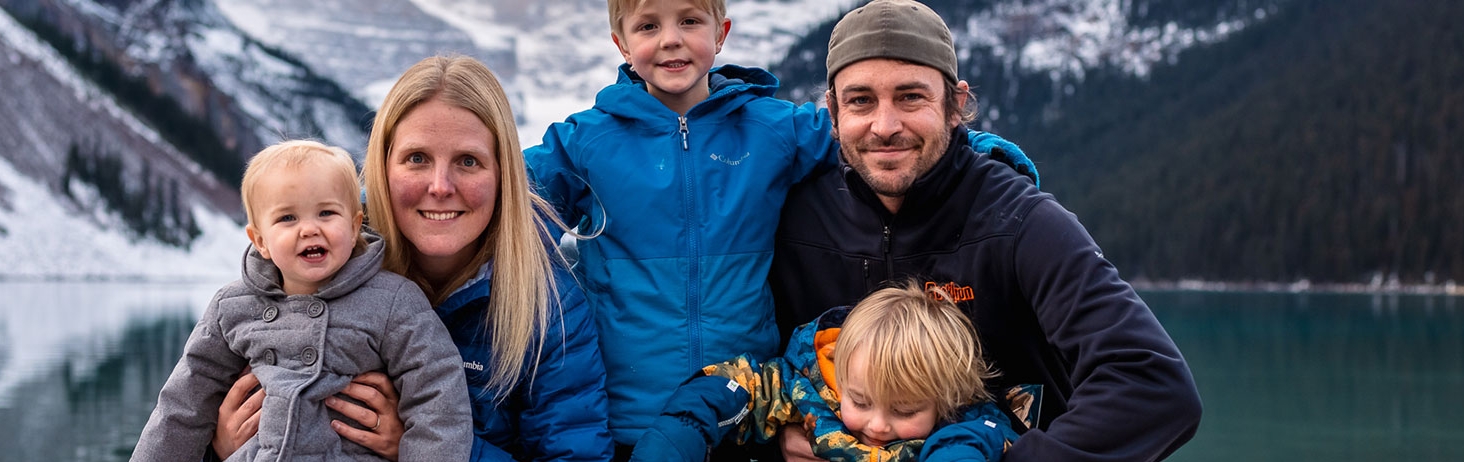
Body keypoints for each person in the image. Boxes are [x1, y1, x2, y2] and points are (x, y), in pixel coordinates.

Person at [524, 0, 1033, 452]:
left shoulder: (771, 129)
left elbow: (872, 141)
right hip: (627, 411)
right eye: (648, 25)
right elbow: (513, 193)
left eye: (690, 20)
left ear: (721, 32)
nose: (671, 39)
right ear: (621, 42)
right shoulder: (587, 141)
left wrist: (988, 157)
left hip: (747, 406)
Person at [767, 1, 1203, 461]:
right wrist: (777, 438)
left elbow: (1153, 384)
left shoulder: (1019, 221)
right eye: (861, 101)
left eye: (911, 97)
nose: (885, 125)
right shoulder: (793, 221)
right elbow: (743, 376)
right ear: (833, 111)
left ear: (956, 105)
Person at [211, 56, 614, 461]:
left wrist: (427, 445)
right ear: (383, 166)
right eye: (417, 158)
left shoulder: (549, 307)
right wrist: (222, 447)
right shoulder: (315, 264)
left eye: (468, 161)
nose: (440, 187)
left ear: (502, 173)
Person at [133, 140, 472, 462]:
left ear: (354, 227)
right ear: (260, 240)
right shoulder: (231, 306)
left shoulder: (394, 300)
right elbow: (184, 405)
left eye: (326, 213)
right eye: (287, 218)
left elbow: (438, 397)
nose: (309, 229)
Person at [630, 281, 1022, 462]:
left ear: (944, 399)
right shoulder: (806, 388)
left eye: (904, 411)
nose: (879, 425)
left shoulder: (963, 427)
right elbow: (711, 397)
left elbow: (979, 440)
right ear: (840, 372)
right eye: (861, 401)